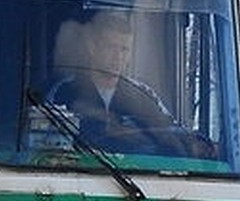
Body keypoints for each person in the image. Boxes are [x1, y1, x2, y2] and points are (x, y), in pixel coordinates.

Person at [48, 9, 181, 151]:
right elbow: (46, 140)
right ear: (93, 48)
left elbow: (169, 133)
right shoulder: (63, 93)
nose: (118, 57)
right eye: (111, 47)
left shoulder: (143, 96)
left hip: (136, 171)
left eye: (124, 49)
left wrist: (191, 143)